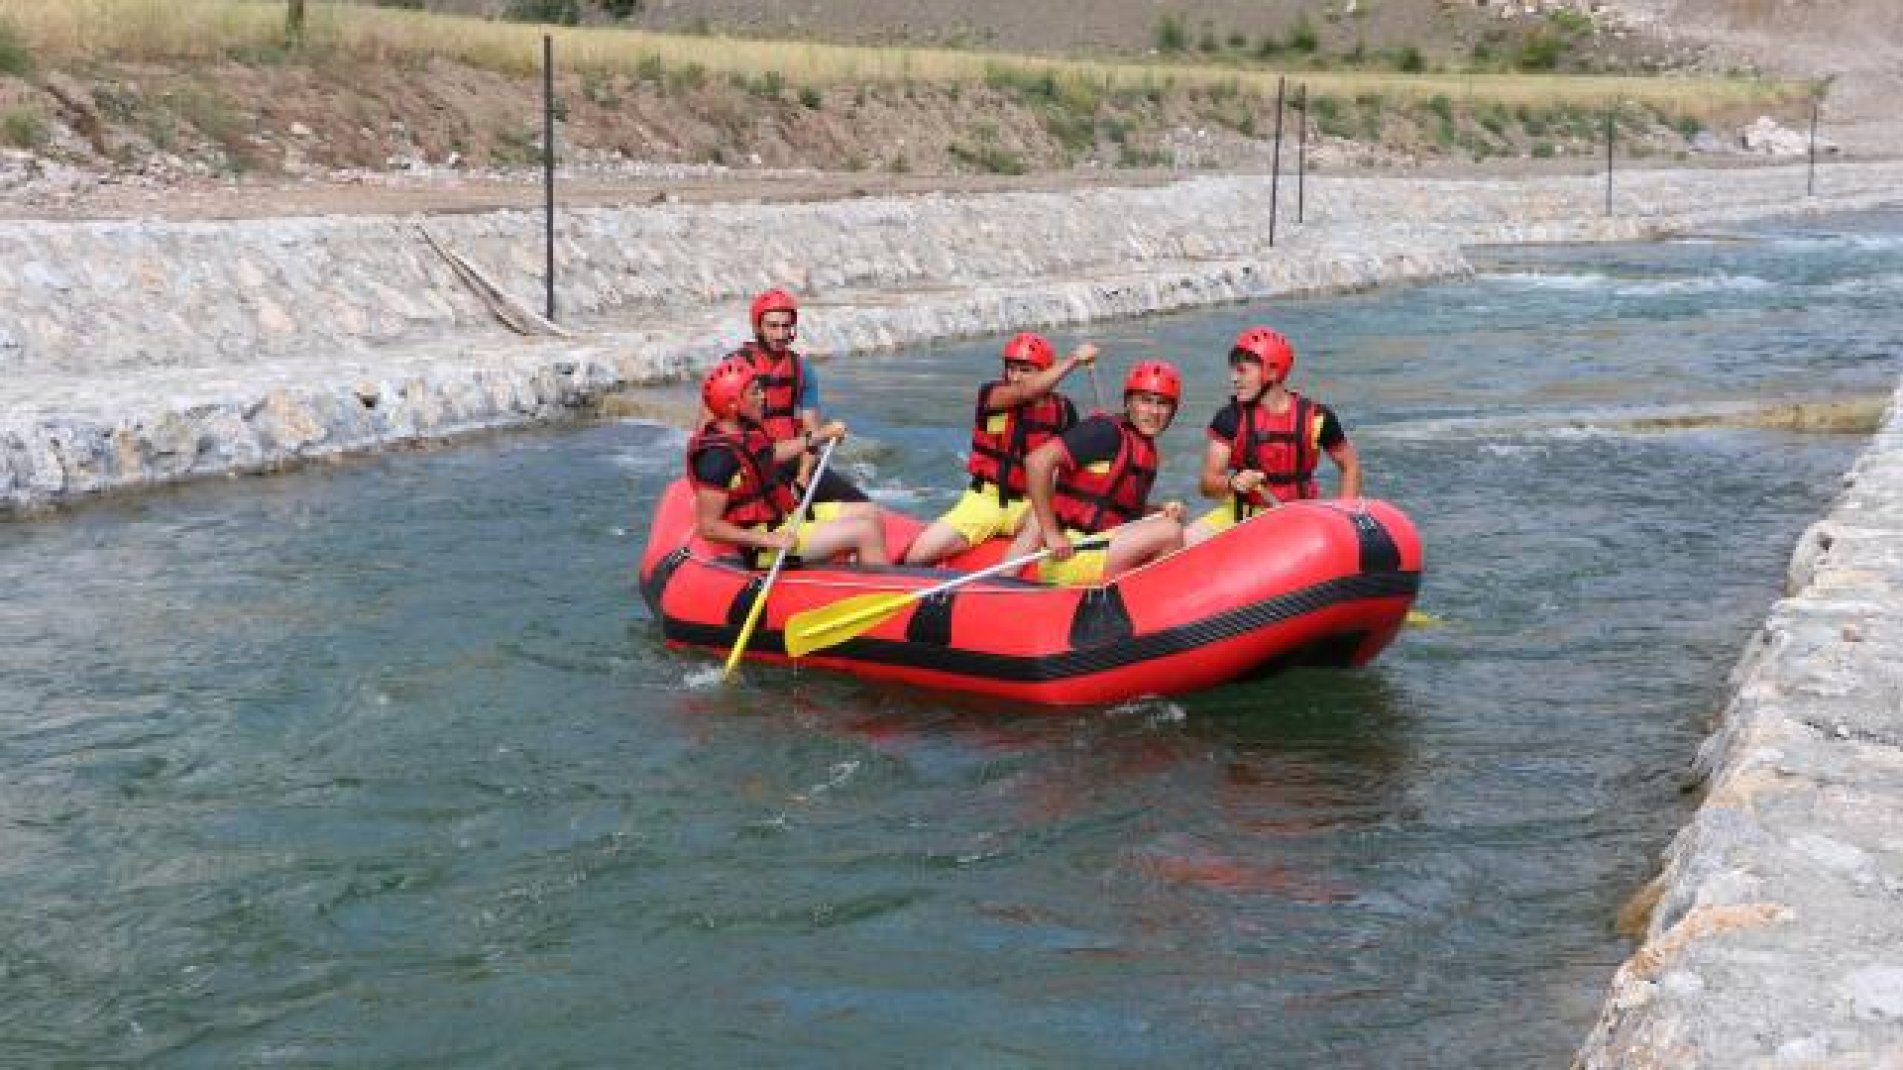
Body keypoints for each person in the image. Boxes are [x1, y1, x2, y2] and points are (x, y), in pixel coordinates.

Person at [901, 332, 1095, 566]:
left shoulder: (1063, 410)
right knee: (918, 555)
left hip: (1031, 504)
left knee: (1042, 520)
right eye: (1011, 368)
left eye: (1025, 370)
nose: (1015, 377)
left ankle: (1007, 579)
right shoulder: (992, 395)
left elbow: (1073, 465)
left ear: (1046, 372)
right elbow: (1027, 392)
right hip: (985, 500)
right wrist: (1075, 358)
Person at [686, 356, 889, 568]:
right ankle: (885, 592)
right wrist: (768, 540)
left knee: (869, 513)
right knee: (866, 531)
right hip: (761, 545)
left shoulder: (743, 432)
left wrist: (818, 436)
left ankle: (863, 570)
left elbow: (771, 454)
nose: (764, 396)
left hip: (780, 519)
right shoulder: (717, 460)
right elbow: (708, 527)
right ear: (733, 404)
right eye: (755, 392)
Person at [1011, 360, 1188, 586]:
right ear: (1128, 402)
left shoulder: (1146, 450)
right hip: (1070, 554)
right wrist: (1051, 533)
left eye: (1163, 404)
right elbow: (1036, 462)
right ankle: (1152, 607)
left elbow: (1114, 510)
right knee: (1170, 532)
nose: (1154, 411)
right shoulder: (1104, 432)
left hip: (1101, 547)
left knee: (1170, 524)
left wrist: (1158, 510)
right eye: (1145, 401)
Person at [1184, 325, 1362, 546]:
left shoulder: (1318, 417)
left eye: (1242, 371)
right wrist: (1232, 482)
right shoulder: (1230, 418)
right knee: (1185, 540)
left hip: (1300, 517)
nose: (1233, 378)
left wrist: (1346, 515)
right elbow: (1207, 484)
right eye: (1233, 370)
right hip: (1242, 516)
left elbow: (1350, 466)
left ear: (1272, 372)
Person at [726, 287, 870, 503]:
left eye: (786, 326)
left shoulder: (802, 370)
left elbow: (811, 432)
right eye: (773, 326)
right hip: (751, 462)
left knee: (861, 504)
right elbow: (717, 429)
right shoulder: (735, 368)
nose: (781, 334)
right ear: (758, 327)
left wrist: (803, 478)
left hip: (791, 459)